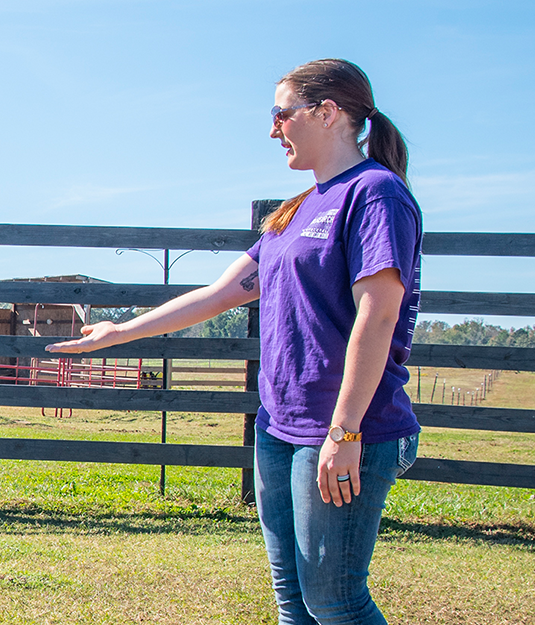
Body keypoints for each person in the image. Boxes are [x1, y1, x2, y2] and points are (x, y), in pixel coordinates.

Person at [47, 58, 421, 624]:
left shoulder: (376, 195)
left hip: (347, 431)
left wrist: (345, 430)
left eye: (281, 113)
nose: (274, 130)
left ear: (327, 112)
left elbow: (379, 316)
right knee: (292, 597)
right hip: (277, 426)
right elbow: (220, 294)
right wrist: (122, 331)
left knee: (335, 600)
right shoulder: (293, 212)